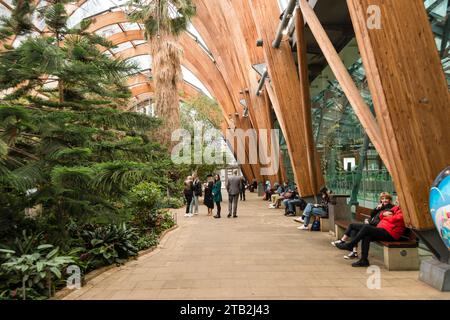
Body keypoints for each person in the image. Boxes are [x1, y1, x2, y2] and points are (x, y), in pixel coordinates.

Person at [335, 204, 406, 267]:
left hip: (390, 234)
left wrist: (386, 216)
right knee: (365, 235)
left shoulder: (405, 211)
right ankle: (364, 260)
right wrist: (383, 214)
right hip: (382, 229)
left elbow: (394, 219)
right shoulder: (396, 208)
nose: (397, 201)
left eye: (399, 200)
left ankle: (351, 245)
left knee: (366, 228)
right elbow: (381, 215)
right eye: (397, 200)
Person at [331, 192, 394, 259]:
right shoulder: (380, 207)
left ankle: (343, 241)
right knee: (353, 231)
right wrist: (374, 212)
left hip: (376, 228)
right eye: (382, 198)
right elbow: (372, 216)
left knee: (352, 225)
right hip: (371, 225)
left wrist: (370, 222)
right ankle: (354, 252)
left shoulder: (389, 208)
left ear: (390, 200)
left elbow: (380, 220)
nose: (384, 200)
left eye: (386, 198)